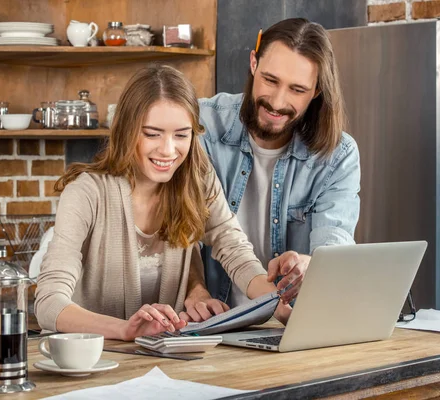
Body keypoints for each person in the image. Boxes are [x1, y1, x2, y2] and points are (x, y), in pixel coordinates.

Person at [34, 65, 289, 342]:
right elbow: (49, 303)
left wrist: (279, 303)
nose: (168, 150)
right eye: (152, 134)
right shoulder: (87, 192)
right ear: (127, 130)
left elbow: (236, 252)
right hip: (92, 361)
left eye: (181, 135)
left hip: (165, 359)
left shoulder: (198, 181)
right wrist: (125, 330)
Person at [182, 18, 361, 322]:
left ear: (316, 91)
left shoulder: (337, 155)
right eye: (271, 80)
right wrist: (194, 288)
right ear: (253, 63)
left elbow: (335, 248)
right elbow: (179, 229)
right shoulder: (201, 128)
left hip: (289, 324)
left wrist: (311, 265)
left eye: (297, 89)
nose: (278, 102)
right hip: (213, 321)